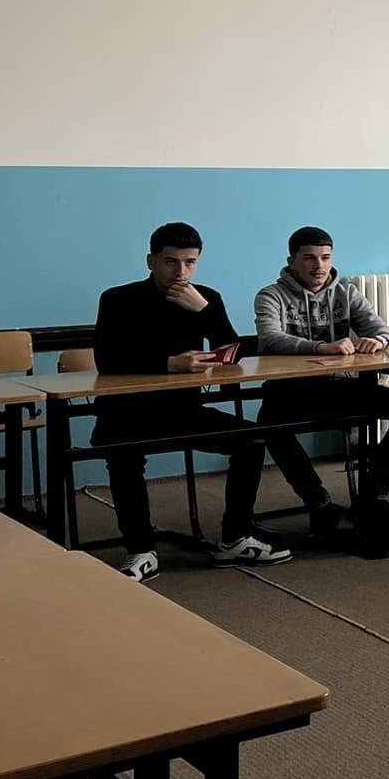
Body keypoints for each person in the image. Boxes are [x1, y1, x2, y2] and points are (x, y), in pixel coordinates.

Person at [92, 222, 292, 581]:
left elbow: (233, 354)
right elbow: (108, 360)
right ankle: (140, 548)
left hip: (181, 411)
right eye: (171, 262)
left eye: (190, 263)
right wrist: (169, 364)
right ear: (151, 261)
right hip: (126, 412)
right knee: (123, 452)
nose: (181, 272)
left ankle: (234, 537)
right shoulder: (117, 299)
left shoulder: (205, 298)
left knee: (253, 441)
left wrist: (204, 311)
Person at [252, 226, 389, 540]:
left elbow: (386, 331)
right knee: (269, 425)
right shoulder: (270, 295)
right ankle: (318, 501)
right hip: (290, 390)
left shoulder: (347, 293)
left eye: (325, 257)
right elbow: (270, 338)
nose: (319, 265)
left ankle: (374, 493)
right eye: (309, 258)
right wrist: (320, 347)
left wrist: (378, 341)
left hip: (341, 387)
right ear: (292, 261)